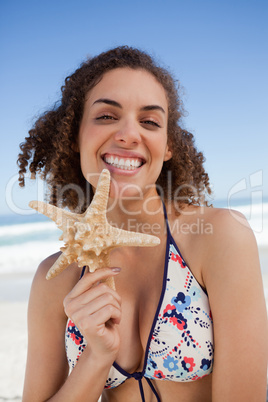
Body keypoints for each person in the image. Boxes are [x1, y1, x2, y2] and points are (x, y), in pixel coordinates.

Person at [18, 46, 268, 402]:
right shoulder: (54, 280)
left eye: (150, 122)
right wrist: (97, 357)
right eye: (106, 116)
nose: (129, 134)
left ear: (168, 146)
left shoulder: (220, 237)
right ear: (75, 135)